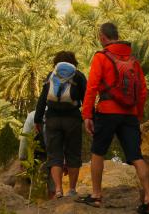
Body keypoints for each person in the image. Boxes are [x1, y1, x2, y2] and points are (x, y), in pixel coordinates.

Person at [76, 23, 149, 214]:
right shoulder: (133, 60)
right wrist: (137, 114)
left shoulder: (101, 57)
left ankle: (96, 195)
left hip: (107, 111)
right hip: (129, 114)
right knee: (136, 156)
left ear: (103, 37)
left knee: (98, 152)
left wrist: (87, 114)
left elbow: (92, 87)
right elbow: (143, 91)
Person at [35, 51, 87, 199]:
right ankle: (71, 189)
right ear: (74, 62)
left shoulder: (52, 75)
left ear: (56, 62)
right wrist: (89, 117)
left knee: (54, 155)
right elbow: (86, 99)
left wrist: (38, 119)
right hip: (72, 119)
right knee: (73, 154)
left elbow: (42, 99)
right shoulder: (79, 76)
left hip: (52, 119)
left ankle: (58, 190)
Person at [19, 110, 55, 198]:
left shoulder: (32, 115)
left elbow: (24, 139)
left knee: (39, 183)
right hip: (56, 154)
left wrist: (22, 157)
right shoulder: (59, 113)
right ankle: (54, 207)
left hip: (39, 154)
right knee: (54, 186)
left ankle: (39, 206)